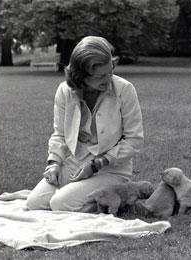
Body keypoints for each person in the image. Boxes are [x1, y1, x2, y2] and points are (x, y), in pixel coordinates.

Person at [26, 36, 144, 212]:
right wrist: (54, 164)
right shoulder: (65, 91)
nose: (108, 80)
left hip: (111, 168)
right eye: (100, 76)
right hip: (76, 162)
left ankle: (114, 199)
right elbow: (60, 134)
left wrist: (97, 164)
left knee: (60, 203)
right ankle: (94, 202)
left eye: (110, 72)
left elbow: (134, 140)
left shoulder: (125, 90)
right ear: (81, 76)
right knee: (34, 203)